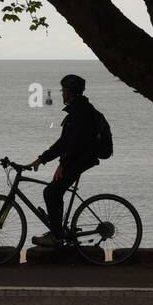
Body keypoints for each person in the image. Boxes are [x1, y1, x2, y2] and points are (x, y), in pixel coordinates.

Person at [27, 74, 99, 247]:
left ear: (70, 92)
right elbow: (63, 143)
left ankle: (57, 236)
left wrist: (62, 164)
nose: (61, 94)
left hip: (82, 158)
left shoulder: (80, 112)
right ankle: (57, 231)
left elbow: (74, 143)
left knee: (51, 192)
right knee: (54, 191)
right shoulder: (78, 109)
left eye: (63, 90)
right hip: (79, 157)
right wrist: (41, 160)